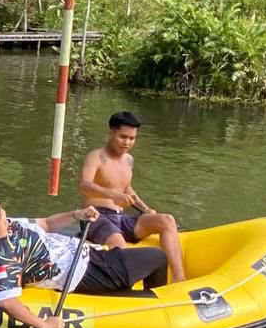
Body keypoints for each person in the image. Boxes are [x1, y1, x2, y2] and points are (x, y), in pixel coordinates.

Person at [0, 193, 169, 328]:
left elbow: (46, 224)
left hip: (87, 254)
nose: (3, 208)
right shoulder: (2, 256)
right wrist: (44, 324)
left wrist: (76, 214)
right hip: (88, 272)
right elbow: (6, 301)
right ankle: (159, 316)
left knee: (136, 254)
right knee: (158, 257)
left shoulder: (10, 224)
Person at [78, 111, 186, 283]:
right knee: (121, 246)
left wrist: (145, 209)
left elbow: (126, 188)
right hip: (96, 216)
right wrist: (113, 195)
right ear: (111, 132)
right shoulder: (95, 157)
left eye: (132, 138)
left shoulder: (129, 160)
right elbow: (84, 185)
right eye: (123, 137)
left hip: (121, 217)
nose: (127, 142)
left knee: (167, 220)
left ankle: (179, 279)